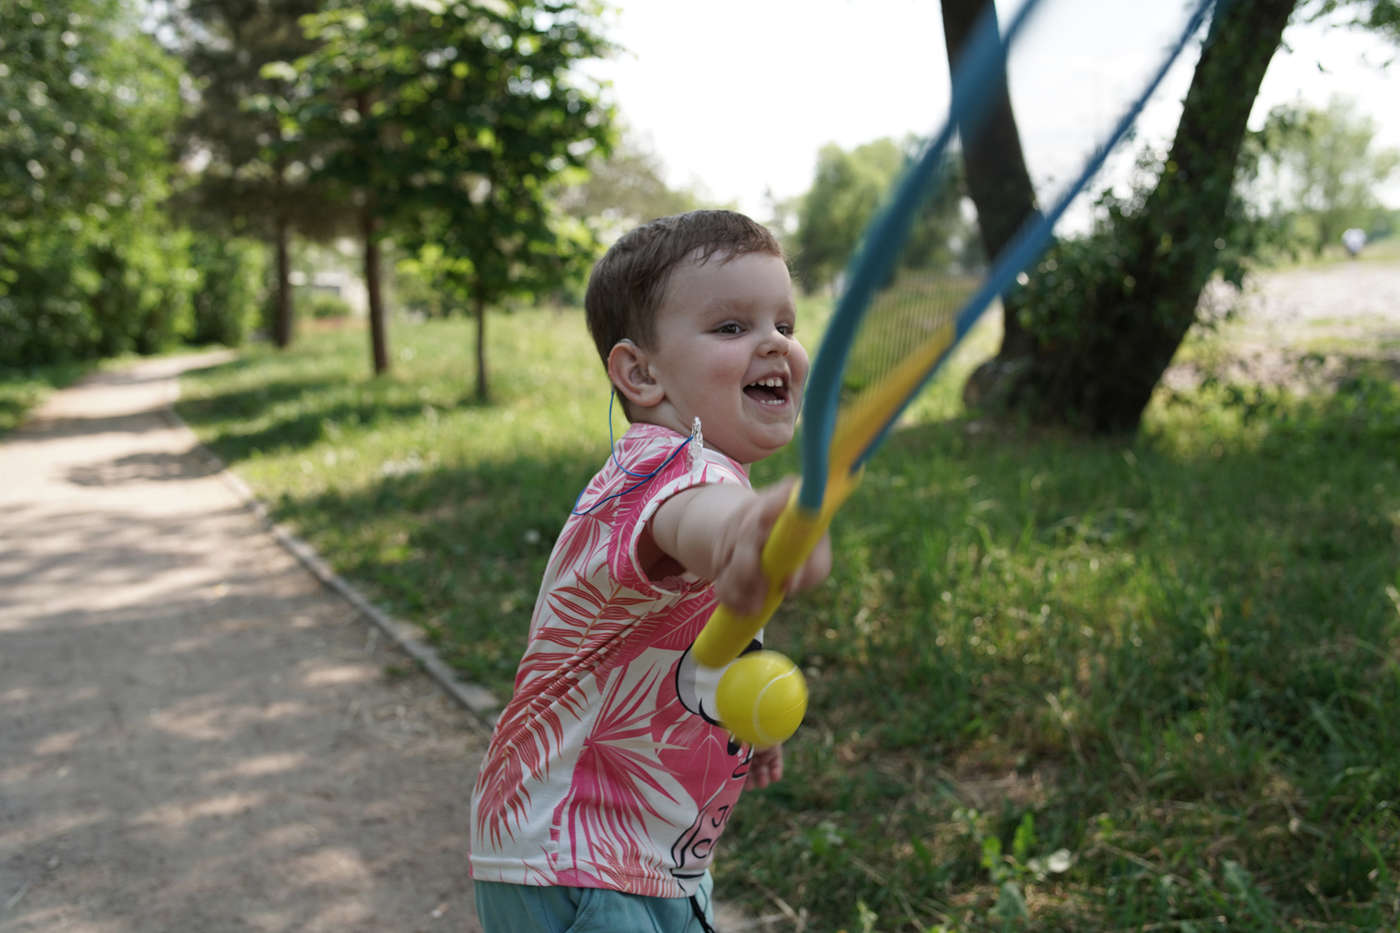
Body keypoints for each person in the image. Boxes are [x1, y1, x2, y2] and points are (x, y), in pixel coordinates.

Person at [469, 210, 831, 932]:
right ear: (640, 371)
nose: (773, 343)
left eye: (785, 324)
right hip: (583, 858)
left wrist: (737, 709)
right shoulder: (671, 470)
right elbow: (700, 523)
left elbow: (692, 623)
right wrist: (748, 532)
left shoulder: (672, 467)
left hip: (630, 855)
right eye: (731, 327)